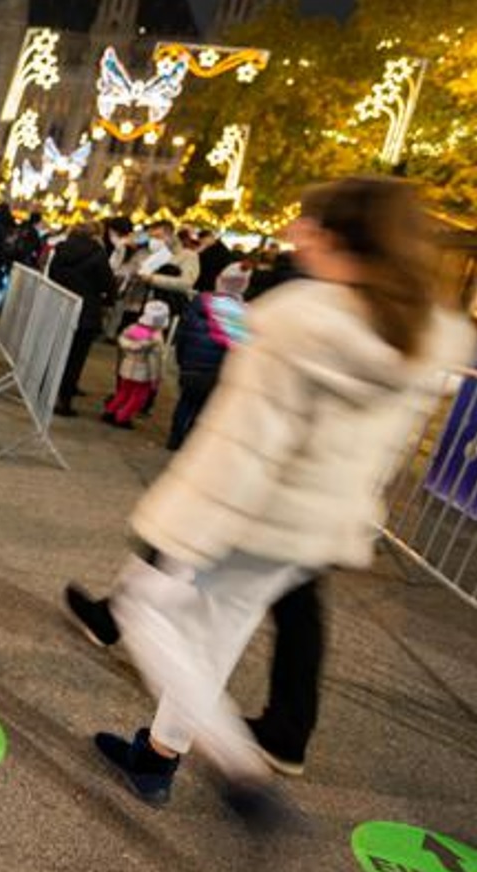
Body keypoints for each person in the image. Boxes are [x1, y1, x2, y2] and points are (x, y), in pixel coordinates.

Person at [91, 177, 473, 827]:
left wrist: (175, 524)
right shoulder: (422, 332)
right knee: (213, 643)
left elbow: (239, 441)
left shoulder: (302, 318)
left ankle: (240, 770)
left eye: (309, 226)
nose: (296, 236)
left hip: (249, 512)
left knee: (143, 611)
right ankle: (156, 758)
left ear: (336, 240)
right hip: (320, 525)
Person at [166, 261, 250, 450]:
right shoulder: (243, 313)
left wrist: (181, 359)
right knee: (205, 406)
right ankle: (191, 439)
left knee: (186, 401)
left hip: (191, 365)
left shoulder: (200, 301)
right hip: (217, 369)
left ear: (219, 280)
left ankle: (175, 437)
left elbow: (183, 333)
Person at [49, 221, 117, 417]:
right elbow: (107, 283)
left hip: (61, 305)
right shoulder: (98, 253)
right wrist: (109, 299)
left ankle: (46, 389)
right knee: (75, 358)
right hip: (86, 311)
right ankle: (65, 400)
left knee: (56, 350)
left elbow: (53, 275)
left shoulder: (61, 250)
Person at [102, 300, 167, 429]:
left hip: (126, 368)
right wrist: (157, 378)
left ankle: (110, 411)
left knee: (123, 392)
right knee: (138, 398)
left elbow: (123, 341)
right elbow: (155, 362)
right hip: (143, 374)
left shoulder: (133, 328)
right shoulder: (155, 339)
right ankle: (123, 417)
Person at [194, 228, 237, 294]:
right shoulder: (219, 249)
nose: (202, 242)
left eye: (203, 240)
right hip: (210, 284)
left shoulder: (219, 251)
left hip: (212, 284)